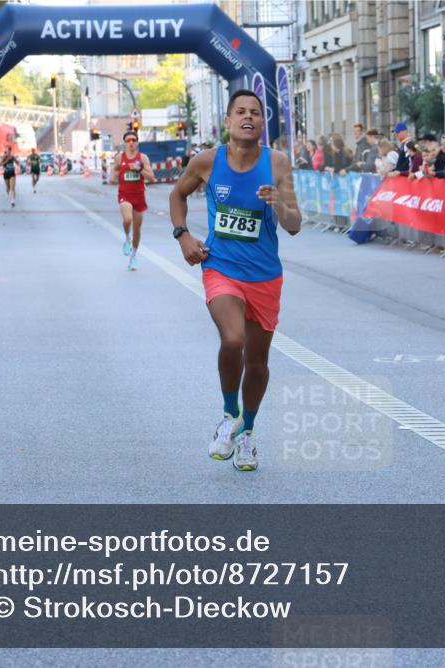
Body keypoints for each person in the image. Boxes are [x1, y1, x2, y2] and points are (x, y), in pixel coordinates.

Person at [168, 88, 301, 472]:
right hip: (221, 267)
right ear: (227, 122)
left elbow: (293, 226)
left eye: (255, 113)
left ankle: (247, 435)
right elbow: (177, 196)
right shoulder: (207, 161)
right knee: (233, 339)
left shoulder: (277, 163)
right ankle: (230, 415)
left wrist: (281, 202)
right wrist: (184, 237)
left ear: (262, 123)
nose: (248, 117)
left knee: (257, 362)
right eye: (240, 112)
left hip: (264, 276)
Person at [110, 130, 156, 270]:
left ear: (137, 142)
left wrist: (139, 169)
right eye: (128, 140)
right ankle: (126, 238)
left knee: (137, 229)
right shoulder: (120, 157)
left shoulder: (143, 158)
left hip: (139, 196)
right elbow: (115, 170)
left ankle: (133, 257)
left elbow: (151, 178)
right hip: (124, 194)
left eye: (133, 140)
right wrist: (112, 177)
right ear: (125, 143)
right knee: (127, 219)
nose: (131, 143)